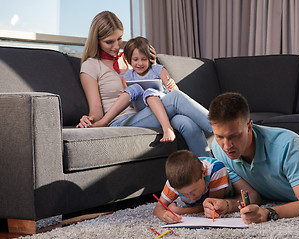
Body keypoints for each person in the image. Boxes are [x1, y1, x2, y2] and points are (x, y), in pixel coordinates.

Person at [202, 92, 299, 224]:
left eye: (234, 136)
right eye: (219, 136)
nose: (226, 145)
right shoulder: (219, 149)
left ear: (249, 126)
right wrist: (227, 205)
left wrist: (268, 213)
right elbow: (253, 195)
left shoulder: (288, 143)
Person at [77, 11, 212, 156]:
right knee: (176, 99)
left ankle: (212, 173)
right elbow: (96, 108)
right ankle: (224, 128)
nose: (116, 46)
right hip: (121, 121)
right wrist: (89, 121)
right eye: (109, 42)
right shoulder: (91, 65)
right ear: (96, 40)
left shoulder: (132, 58)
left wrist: (152, 67)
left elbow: (155, 86)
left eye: (119, 39)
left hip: (148, 111)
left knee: (187, 123)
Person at [92, 36, 179, 142]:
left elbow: (175, 94)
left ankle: (201, 157)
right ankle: (104, 121)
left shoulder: (158, 69)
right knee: (139, 89)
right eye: (135, 59)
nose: (140, 63)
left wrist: (172, 86)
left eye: (144, 59)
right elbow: (131, 103)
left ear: (149, 58)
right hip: (143, 110)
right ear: (129, 60)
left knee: (185, 122)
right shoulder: (128, 77)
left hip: (164, 104)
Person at [153, 150, 232, 223]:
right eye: (184, 194)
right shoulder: (173, 183)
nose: (191, 197)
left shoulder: (216, 170)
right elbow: (158, 208)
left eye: (194, 190)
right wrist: (163, 214)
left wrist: (180, 211)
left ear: (203, 173)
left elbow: (212, 206)